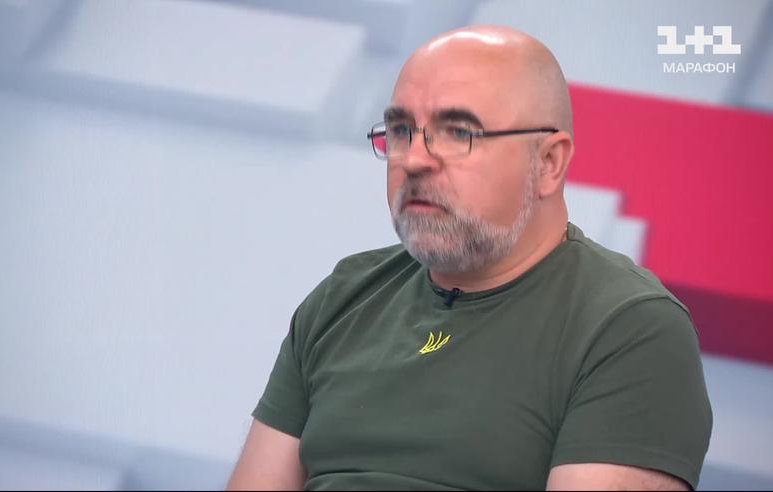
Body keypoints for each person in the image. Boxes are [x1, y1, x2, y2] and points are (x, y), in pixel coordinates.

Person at [226, 25, 712, 491]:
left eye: (459, 132)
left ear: (549, 162)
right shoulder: (345, 296)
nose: (414, 159)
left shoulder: (629, 328)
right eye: (401, 130)